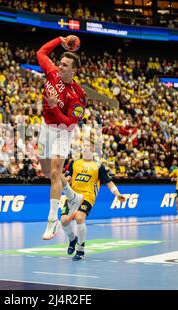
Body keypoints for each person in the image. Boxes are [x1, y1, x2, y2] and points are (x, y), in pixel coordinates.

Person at [36, 36, 87, 240]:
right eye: (60, 63)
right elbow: (41, 53)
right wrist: (60, 39)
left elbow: (69, 124)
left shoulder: (78, 95)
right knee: (47, 172)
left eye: (65, 65)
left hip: (62, 132)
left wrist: (55, 106)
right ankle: (72, 196)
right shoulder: (52, 73)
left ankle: (52, 220)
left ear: (73, 70)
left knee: (56, 171)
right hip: (45, 127)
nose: (60, 67)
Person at [60, 142, 126, 261]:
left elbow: (108, 182)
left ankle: (80, 249)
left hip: (87, 196)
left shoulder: (98, 166)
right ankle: (72, 239)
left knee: (80, 218)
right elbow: (68, 176)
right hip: (72, 196)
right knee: (64, 221)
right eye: (84, 147)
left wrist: (117, 193)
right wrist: (65, 178)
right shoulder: (74, 163)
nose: (85, 149)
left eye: (88, 148)